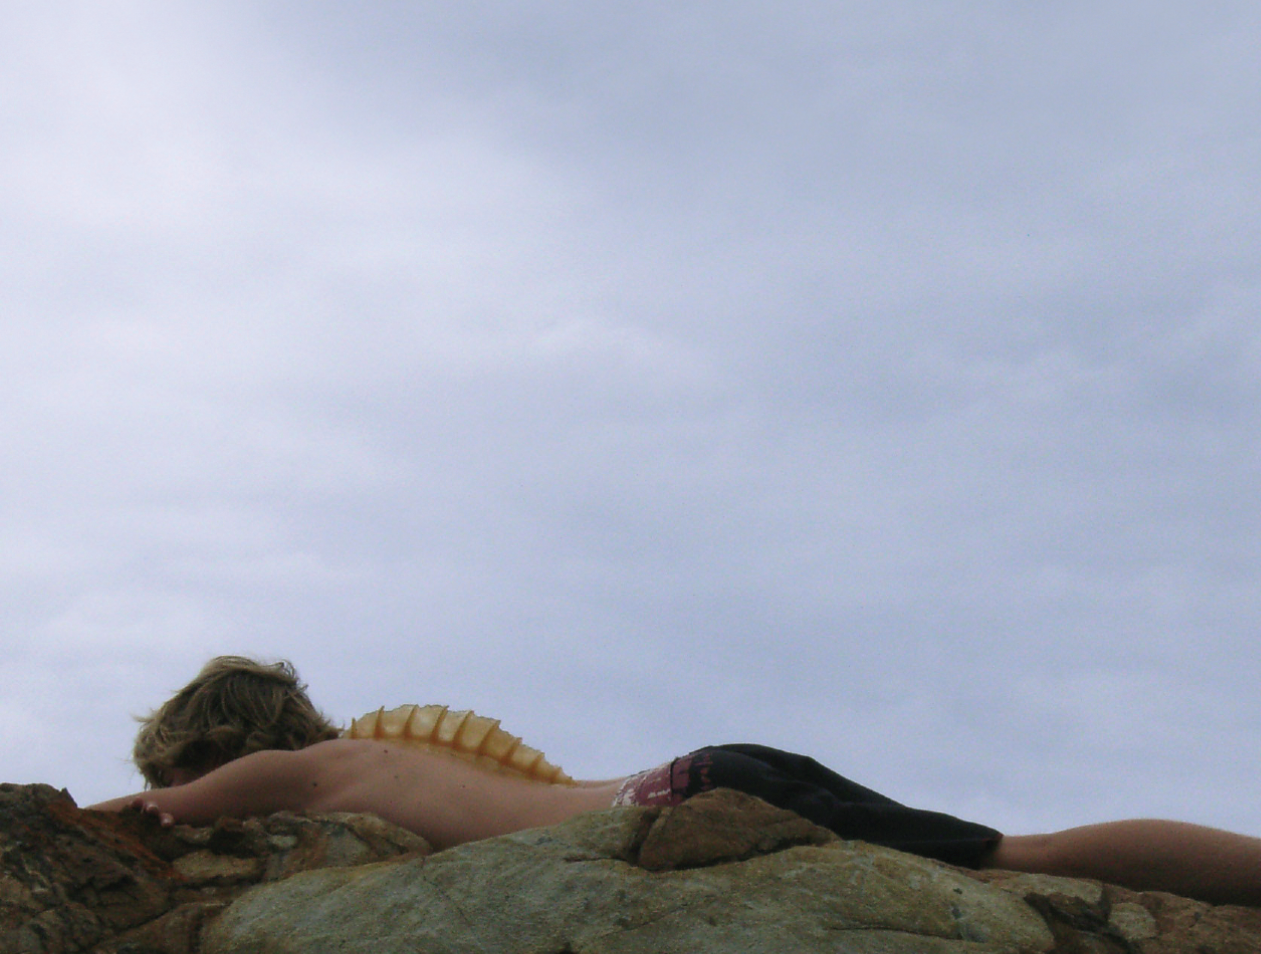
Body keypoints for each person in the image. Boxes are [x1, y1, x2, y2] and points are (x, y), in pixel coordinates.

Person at [89, 656, 1261, 907]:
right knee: (1022, 858)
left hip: (690, 798)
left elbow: (122, 821)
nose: (189, 796)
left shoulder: (312, 772)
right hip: (701, 772)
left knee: (1028, 860)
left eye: (187, 768)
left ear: (221, 750)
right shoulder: (378, 763)